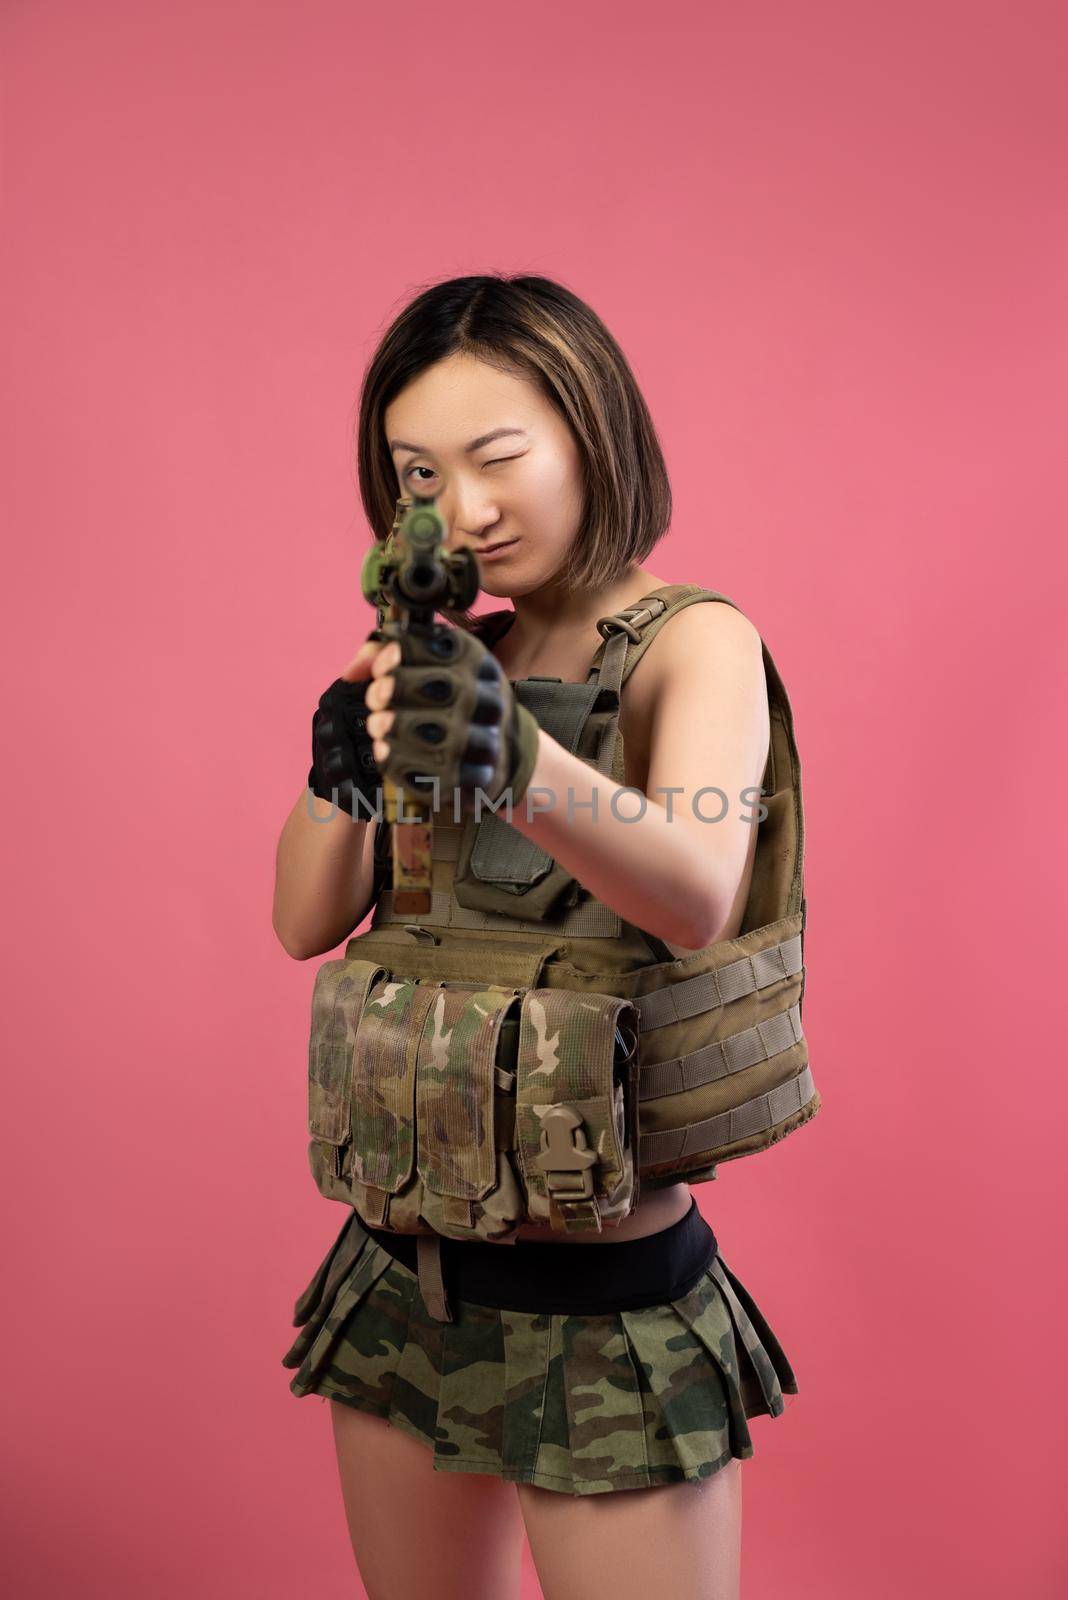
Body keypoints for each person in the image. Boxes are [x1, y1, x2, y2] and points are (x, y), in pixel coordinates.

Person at [273, 273, 802, 1600]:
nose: (465, 508)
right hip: (397, 1279)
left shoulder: (696, 645)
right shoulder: (449, 652)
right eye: (419, 477)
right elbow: (301, 920)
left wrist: (507, 753)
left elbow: (693, 888)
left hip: (608, 1307)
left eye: (497, 456)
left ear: (593, 432)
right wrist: (351, 761)